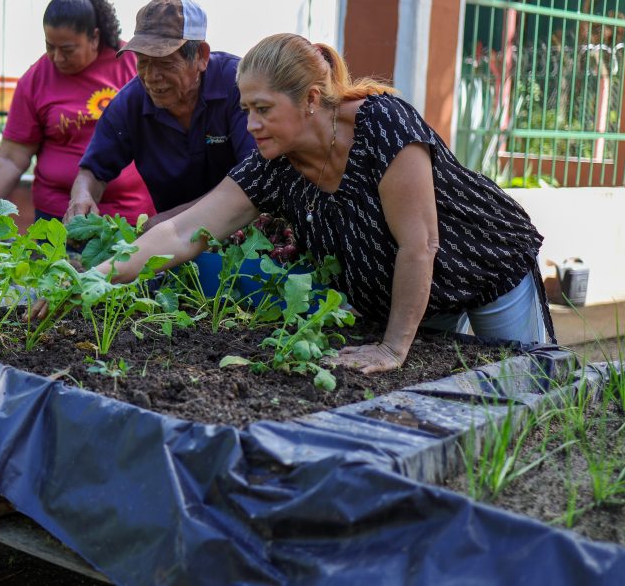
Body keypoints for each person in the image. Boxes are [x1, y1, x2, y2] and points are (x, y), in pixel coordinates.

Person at [81, 33, 555, 376]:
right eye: (246, 110)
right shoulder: (273, 167)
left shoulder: (381, 127)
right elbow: (181, 233)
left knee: (528, 386)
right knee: (444, 393)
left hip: (490, 269)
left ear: (310, 100)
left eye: (263, 109)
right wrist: (88, 282)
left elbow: (420, 244)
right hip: (420, 299)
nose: (251, 125)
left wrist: (391, 349)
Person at [64, 0, 256, 227]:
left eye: (165, 63)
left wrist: (171, 221)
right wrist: (82, 196)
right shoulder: (130, 104)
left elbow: (252, 181)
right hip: (178, 241)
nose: (152, 77)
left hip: (253, 234)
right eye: (142, 63)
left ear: (201, 56)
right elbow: (92, 171)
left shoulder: (240, 86)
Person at [0, 0, 154, 224]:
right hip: (56, 216)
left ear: (94, 37)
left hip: (126, 215)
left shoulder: (131, 64)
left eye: (68, 50)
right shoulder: (36, 79)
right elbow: (12, 156)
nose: (57, 58)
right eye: (50, 46)